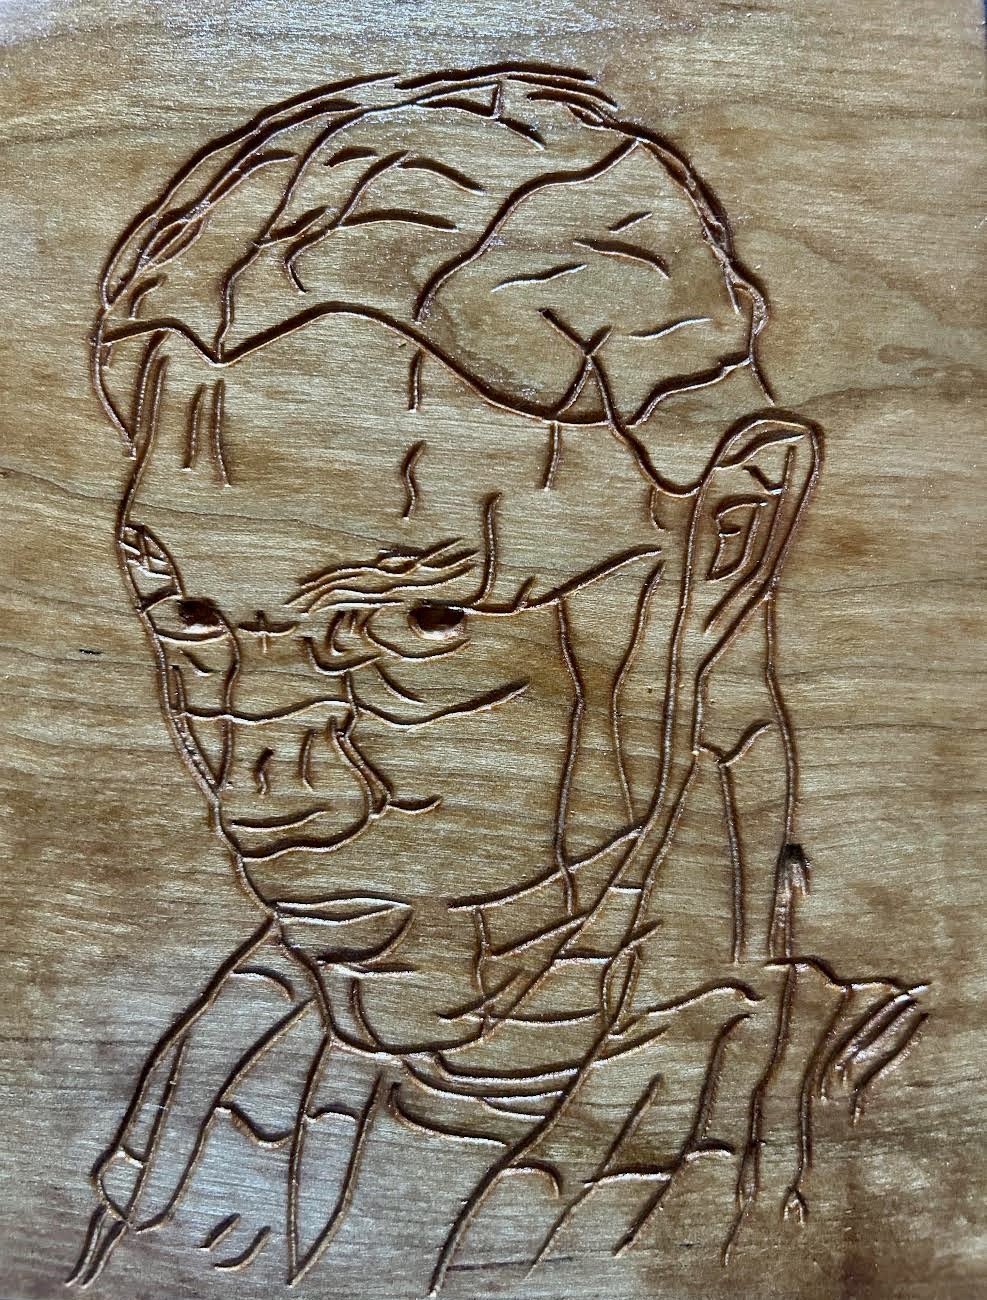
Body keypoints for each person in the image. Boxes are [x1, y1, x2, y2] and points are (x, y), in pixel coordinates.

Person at [70, 65, 927, 1292]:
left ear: (727, 541)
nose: (265, 791)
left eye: (414, 618)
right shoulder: (229, 1071)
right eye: (192, 614)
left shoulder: (851, 1134)